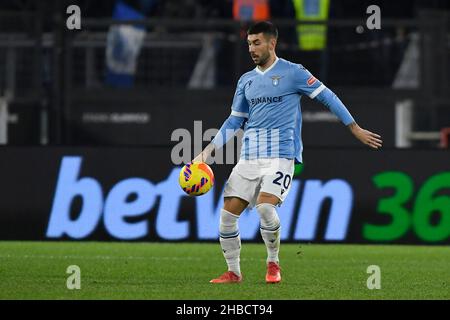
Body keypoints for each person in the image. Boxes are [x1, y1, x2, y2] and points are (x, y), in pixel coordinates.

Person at [192, 21, 382, 284]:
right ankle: (233, 272)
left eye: (257, 43)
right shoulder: (245, 81)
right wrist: (206, 153)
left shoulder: (294, 72)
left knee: (265, 208)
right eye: (249, 44)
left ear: (272, 43)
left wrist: (355, 128)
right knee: (226, 216)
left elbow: (328, 97)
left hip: (281, 155)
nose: (252, 49)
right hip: (249, 157)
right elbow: (234, 121)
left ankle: (273, 264)